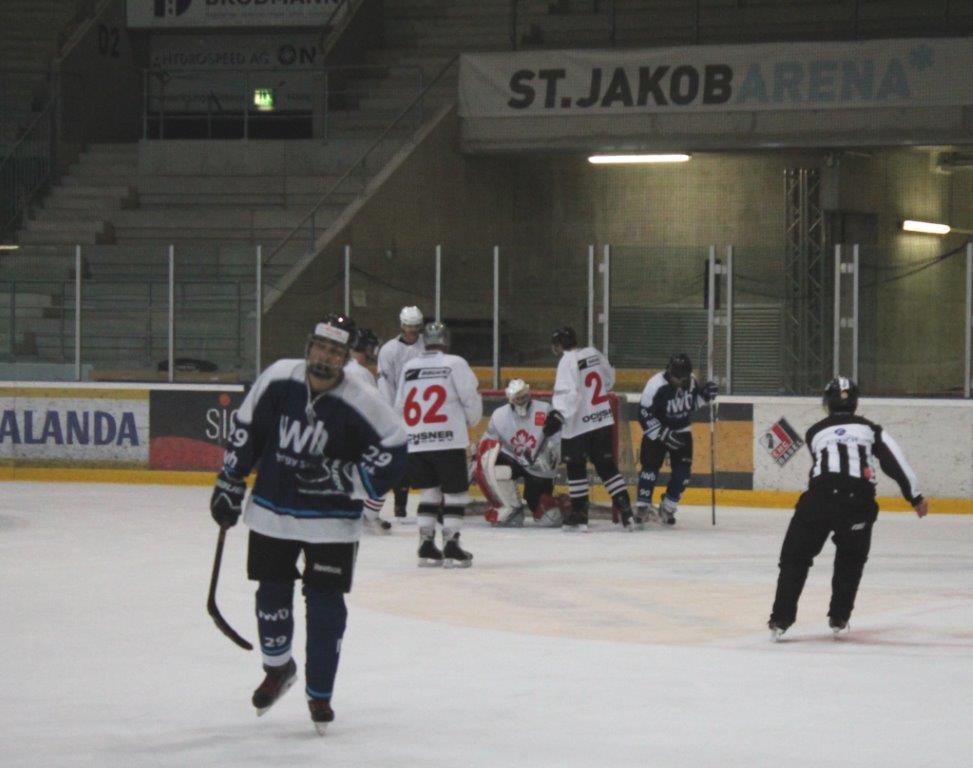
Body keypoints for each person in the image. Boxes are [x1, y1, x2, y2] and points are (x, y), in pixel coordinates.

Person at [209, 313, 407, 733]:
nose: (325, 357)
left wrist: (349, 478)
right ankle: (278, 668)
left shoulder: (362, 398)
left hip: (332, 522)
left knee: (325, 607)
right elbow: (248, 428)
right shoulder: (279, 377)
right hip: (273, 510)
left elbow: (394, 445)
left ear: (345, 358)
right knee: (271, 594)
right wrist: (230, 480)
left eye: (335, 352)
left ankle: (320, 693)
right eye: (321, 347)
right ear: (309, 347)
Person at [768, 377, 928, 641]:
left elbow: (825, 464)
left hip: (819, 498)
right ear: (855, 402)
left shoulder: (814, 432)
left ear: (827, 403)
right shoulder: (871, 430)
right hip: (858, 501)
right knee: (850, 559)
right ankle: (839, 616)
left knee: (795, 558)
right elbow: (894, 461)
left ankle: (781, 618)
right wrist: (915, 497)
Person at [395, 321, 482, 567]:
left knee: (429, 492)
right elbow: (470, 397)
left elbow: (399, 405)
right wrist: (472, 420)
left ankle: (425, 544)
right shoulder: (455, 363)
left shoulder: (409, 367)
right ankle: (451, 544)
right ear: (446, 341)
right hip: (448, 440)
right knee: (455, 494)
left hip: (416, 441)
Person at [546, 325, 637, 532]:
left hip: (578, 426)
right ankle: (626, 510)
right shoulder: (593, 353)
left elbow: (569, 394)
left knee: (576, 468)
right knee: (607, 468)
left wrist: (559, 414)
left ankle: (579, 516)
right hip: (601, 420)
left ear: (558, 346)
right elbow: (609, 380)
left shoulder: (566, 361)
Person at [636, 353, 718, 525]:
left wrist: (705, 395)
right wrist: (662, 434)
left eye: (683, 378)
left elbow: (692, 404)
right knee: (649, 469)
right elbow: (643, 414)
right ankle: (643, 506)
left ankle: (667, 507)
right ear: (669, 371)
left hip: (681, 430)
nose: (680, 381)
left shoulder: (691, 381)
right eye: (677, 377)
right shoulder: (655, 385)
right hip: (657, 432)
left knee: (683, 475)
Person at [474, 378, 566, 527]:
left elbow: (557, 441)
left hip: (539, 465)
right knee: (493, 465)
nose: (521, 401)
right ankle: (510, 508)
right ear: (510, 399)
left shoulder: (545, 410)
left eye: (524, 396)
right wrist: (478, 452)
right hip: (512, 458)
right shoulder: (499, 415)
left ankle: (554, 504)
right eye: (518, 398)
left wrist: (552, 455)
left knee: (549, 518)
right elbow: (488, 442)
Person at [377, 306, 426, 519]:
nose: (412, 331)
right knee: (402, 460)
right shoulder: (389, 350)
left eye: (415, 327)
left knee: (426, 459)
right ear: (402, 325)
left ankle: (432, 504)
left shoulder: (428, 346)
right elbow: (386, 384)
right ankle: (400, 503)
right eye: (408, 326)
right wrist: (392, 414)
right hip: (401, 412)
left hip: (425, 413)